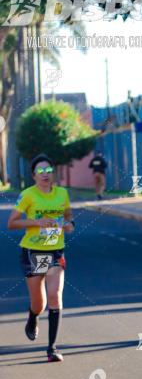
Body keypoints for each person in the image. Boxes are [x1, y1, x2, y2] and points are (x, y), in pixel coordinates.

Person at [7, 154, 74, 363]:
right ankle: (33, 316)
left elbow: (68, 217)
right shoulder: (28, 195)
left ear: (53, 173)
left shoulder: (62, 193)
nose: (45, 175)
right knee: (40, 302)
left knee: (55, 295)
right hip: (34, 252)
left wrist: (69, 225)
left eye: (48, 170)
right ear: (34, 175)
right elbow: (12, 223)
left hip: (56, 251)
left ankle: (52, 348)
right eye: (41, 171)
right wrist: (38, 223)